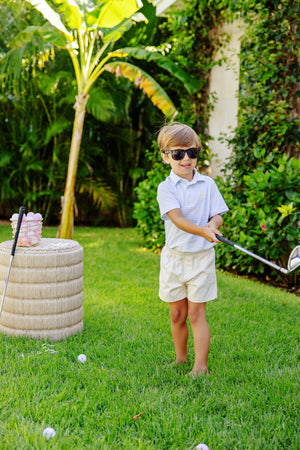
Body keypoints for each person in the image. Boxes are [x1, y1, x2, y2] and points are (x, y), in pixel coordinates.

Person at [156, 122, 229, 376]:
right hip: (174, 259)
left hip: (201, 260)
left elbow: (217, 216)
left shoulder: (207, 185)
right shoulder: (165, 188)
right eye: (178, 153)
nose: (186, 158)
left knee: (197, 314)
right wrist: (203, 231)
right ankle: (180, 359)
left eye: (192, 152)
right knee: (177, 314)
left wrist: (212, 223)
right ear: (166, 157)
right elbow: (177, 218)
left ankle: (201, 367)